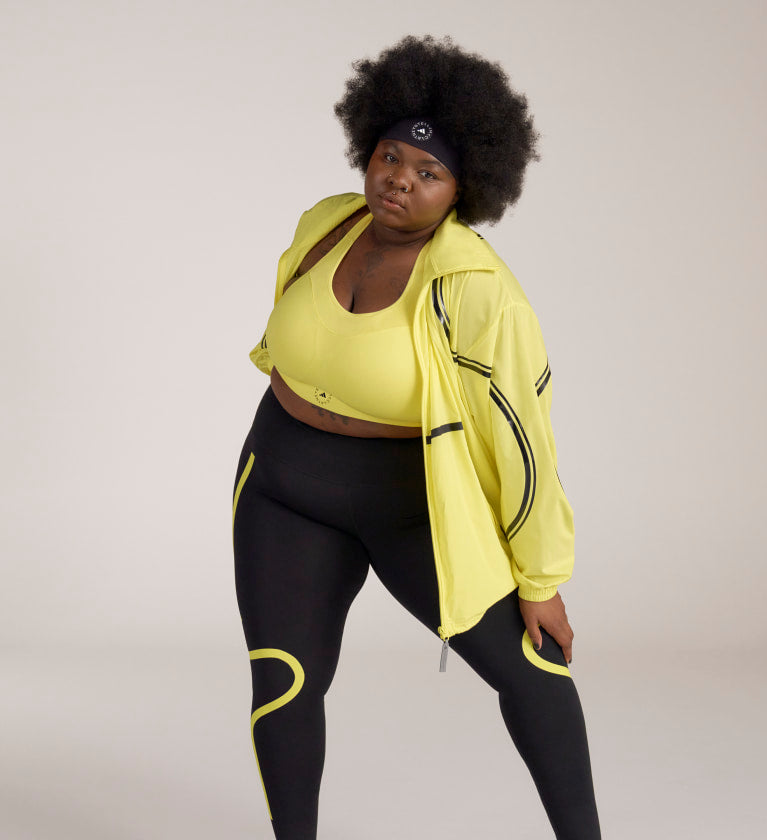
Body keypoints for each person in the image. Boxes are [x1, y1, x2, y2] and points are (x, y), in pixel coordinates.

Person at [232, 35, 601, 839]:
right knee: (284, 682)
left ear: (465, 190)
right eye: (391, 156)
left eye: (429, 171)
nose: (400, 178)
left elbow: (524, 444)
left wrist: (540, 577)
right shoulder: (325, 225)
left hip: (413, 506)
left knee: (533, 674)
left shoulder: (480, 290)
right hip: (284, 489)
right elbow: (286, 330)